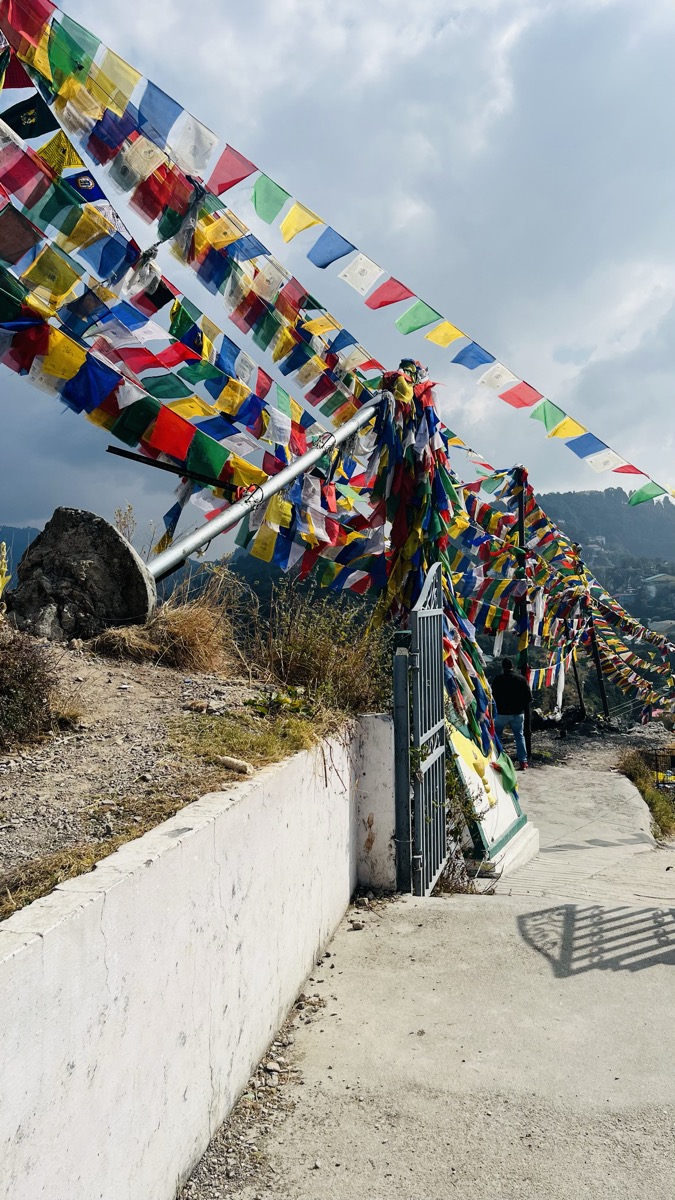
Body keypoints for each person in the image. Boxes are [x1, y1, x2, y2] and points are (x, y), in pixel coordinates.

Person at [492, 657, 532, 770]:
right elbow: (528, 698)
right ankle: (523, 762)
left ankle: (497, 760)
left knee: (497, 736)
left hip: (501, 713)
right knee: (519, 736)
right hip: (517, 713)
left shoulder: (497, 680)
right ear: (512, 666)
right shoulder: (521, 679)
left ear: (503, 667)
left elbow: (492, 697)